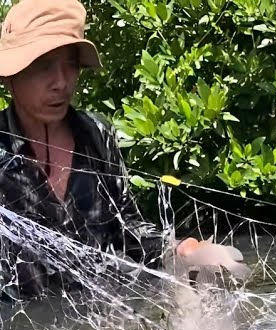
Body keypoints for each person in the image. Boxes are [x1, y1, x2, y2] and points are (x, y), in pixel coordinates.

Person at [0, 0, 240, 298]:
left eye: (71, 65)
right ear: (10, 76)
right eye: (43, 66)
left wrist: (182, 249)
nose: (61, 82)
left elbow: (127, 226)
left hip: (96, 323)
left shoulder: (96, 136)